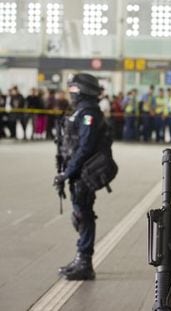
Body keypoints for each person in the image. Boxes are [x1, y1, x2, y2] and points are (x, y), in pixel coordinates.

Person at [53, 73, 112, 280]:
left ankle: (85, 262)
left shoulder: (88, 113)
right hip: (78, 171)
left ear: (84, 90)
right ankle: (81, 257)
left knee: (84, 215)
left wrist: (66, 172)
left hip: (85, 173)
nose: (71, 94)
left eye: (74, 90)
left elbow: (85, 147)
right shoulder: (80, 111)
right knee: (80, 215)